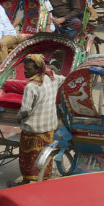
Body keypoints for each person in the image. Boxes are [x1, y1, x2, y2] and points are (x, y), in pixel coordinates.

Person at [16, 55, 62, 183]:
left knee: (29, 157)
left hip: (33, 129)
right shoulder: (52, 78)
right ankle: (43, 179)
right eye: (25, 68)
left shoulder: (31, 87)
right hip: (49, 127)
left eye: (28, 69)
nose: (25, 71)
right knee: (45, 155)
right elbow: (64, 79)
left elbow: (25, 109)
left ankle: (27, 181)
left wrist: (18, 117)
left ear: (37, 69)